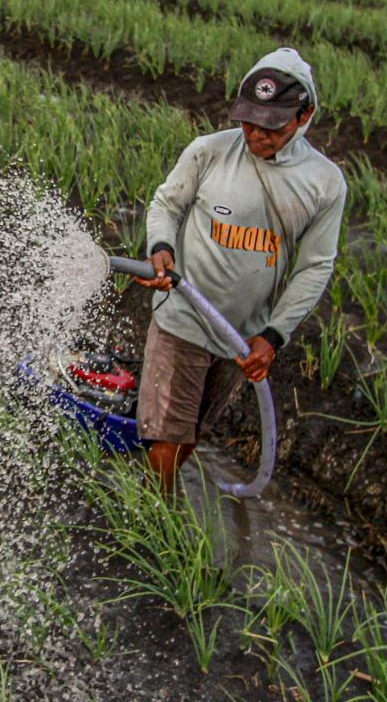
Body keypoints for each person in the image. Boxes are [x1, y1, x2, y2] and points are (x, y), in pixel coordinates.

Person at [134, 47, 347, 493]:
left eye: (271, 126)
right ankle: (150, 523)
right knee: (167, 436)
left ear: (303, 115)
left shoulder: (324, 183)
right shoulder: (209, 151)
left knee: (193, 432)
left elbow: (314, 267)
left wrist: (273, 336)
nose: (255, 135)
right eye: (248, 121)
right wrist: (160, 248)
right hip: (183, 318)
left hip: (240, 336)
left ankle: (153, 502)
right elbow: (166, 205)